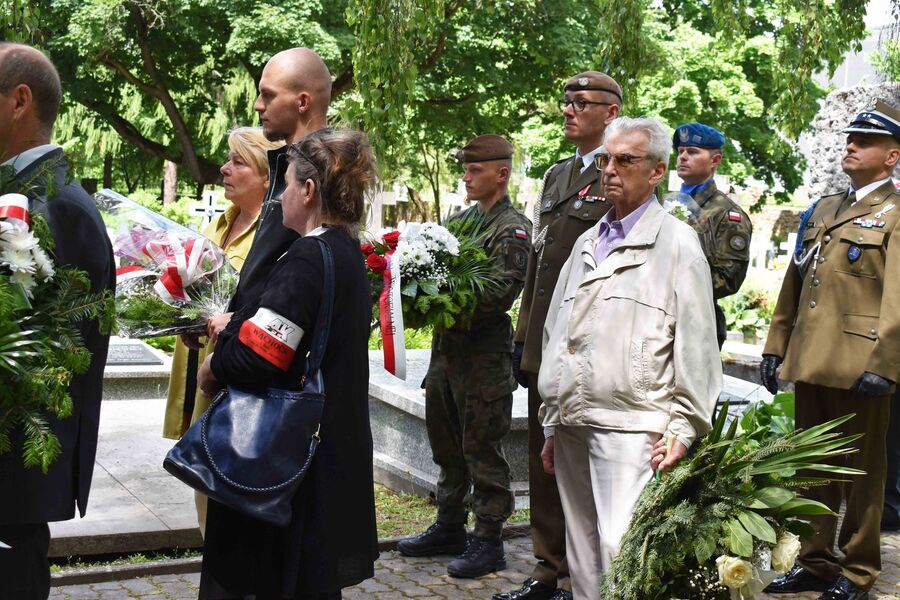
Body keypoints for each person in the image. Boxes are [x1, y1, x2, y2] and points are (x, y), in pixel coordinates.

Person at [537, 117, 722, 598]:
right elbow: (557, 332)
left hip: (634, 423)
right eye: (605, 159)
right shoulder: (585, 242)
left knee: (623, 550)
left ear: (657, 171)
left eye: (625, 160)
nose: (610, 170)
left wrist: (684, 425)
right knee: (580, 555)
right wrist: (552, 418)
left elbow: (698, 344)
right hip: (575, 419)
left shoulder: (679, 244)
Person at [195, 129, 378, 599]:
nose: (279, 197)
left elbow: (258, 355)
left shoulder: (305, 258)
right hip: (326, 452)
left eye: (286, 185)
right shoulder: (345, 252)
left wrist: (219, 353)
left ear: (309, 190)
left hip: (286, 467)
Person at [762, 100, 900, 600]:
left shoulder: (896, 213)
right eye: (850, 138)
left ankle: (859, 570)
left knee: (863, 471)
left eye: (865, 141)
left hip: (861, 363)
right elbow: (794, 281)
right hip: (812, 357)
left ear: (892, 156)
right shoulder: (825, 209)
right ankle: (815, 560)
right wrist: (777, 346)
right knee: (810, 466)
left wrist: (886, 364)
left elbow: (898, 297)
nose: (851, 145)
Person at [0, 43, 116, 599]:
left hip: (14, 471)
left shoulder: (53, 204)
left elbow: (38, 345)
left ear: (19, 100)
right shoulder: (27, 193)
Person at [500, 70, 621, 600]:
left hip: (589, 346)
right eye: (565, 102)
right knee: (542, 459)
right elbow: (540, 266)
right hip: (545, 342)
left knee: (583, 462)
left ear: (611, 112)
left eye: (581, 102)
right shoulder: (556, 175)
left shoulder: (620, 175)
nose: (568, 109)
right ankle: (547, 569)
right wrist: (524, 338)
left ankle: (582, 574)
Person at [397, 135, 531, 579]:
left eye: (475, 170)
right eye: (465, 169)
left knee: (481, 449)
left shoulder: (512, 227)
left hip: (483, 358)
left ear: (502, 174)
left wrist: (438, 293)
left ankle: (488, 539)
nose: (466, 176)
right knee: (446, 446)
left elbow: (498, 291)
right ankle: (449, 526)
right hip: (445, 355)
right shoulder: (461, 221)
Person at [162, 126, 280, 535]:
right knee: (204, 490)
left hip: (238, 380)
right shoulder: (218, 223)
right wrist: (184, 319)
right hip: (203, 368)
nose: (224, 169)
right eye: (228, 160)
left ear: (267, 175)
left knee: (225, 494)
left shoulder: (274, 231)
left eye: (238, 162)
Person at [206, 47, 332, 341]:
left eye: (268, 95)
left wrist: (238, 322)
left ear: (302, 102)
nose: (257, 105)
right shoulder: (289, 162)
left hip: (274, 369)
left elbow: (302, 290)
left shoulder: (324, 174)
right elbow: (266, 276)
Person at [672, 123, 752, 348]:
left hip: (695, 325)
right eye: (680, 152)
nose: (683, 157)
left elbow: (728, 279)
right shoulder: (665, 202)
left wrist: (672, 285)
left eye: (693, 152)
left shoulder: (727, 213)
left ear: (715, 160)